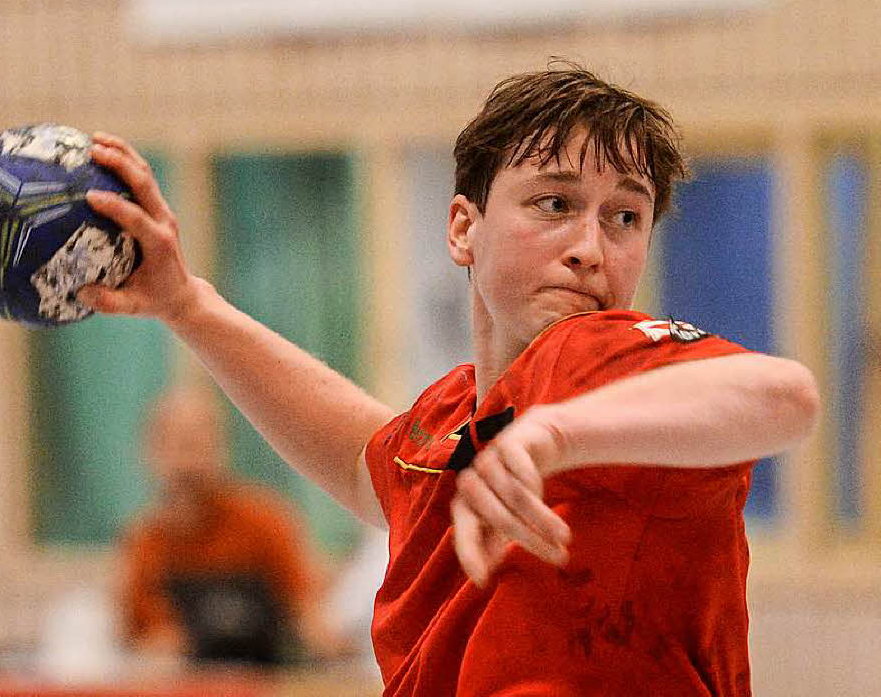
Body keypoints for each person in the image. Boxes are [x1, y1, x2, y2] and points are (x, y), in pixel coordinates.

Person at [79, 64, 819, 695]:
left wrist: (559, 433)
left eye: (625, 217)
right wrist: (188, 306)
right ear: (464, 228)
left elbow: (782, 396)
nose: (591, 248)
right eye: (555, 205)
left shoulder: (605, 357)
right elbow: (365, 460)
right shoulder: (451, 412)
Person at [119, 387, 342, 666]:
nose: (187, 460)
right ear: (150, 451)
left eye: (198, 442)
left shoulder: (264, 522)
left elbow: (309, 615)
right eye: (176, 443)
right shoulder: (147, 544)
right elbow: (145, 640)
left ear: (221, 446)